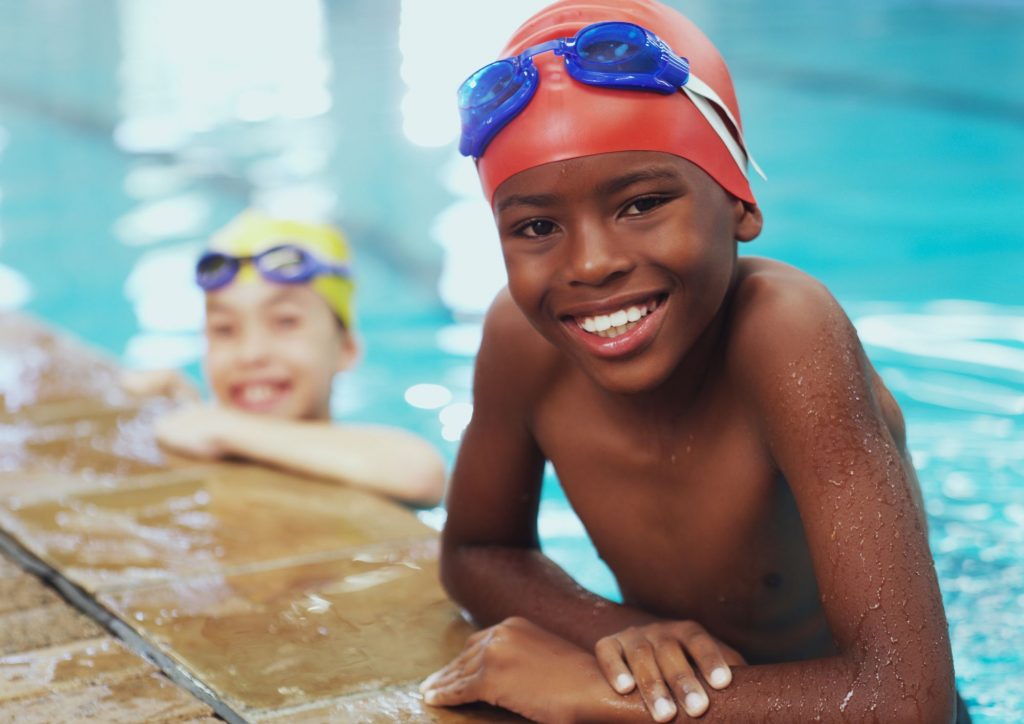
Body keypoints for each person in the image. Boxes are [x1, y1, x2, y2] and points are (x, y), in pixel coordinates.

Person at [421, 0, 967, 721]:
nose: (590, 264)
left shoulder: (784, 334)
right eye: (537, 226)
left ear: (738, 200)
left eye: (642, 203)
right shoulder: (523, 342)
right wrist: (622, 637)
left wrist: (589, 692)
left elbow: (909, 700)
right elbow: (478, 552)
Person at [122, 210, 446, 508]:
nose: (251, 354)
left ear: (347, 349)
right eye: (224, 329)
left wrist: (223, 427)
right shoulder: (209, 428)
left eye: (285, 322)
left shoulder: (376, 462)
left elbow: (421, 474)